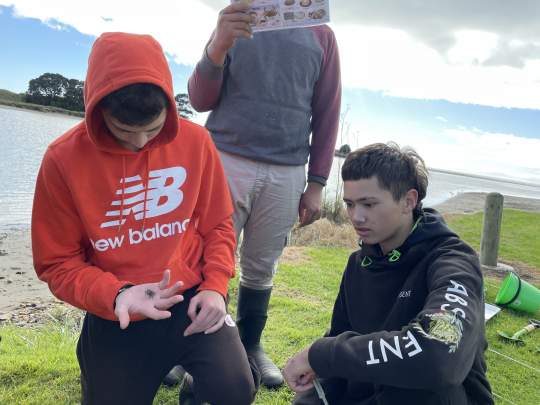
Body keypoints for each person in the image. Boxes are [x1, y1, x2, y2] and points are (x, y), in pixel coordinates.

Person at [31, 32, 255, 405]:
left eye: (152, 130)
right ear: (98, 110)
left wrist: (216, 287)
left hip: (191, 296)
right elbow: (57, 263)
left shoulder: (197, 142)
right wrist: (116, 294)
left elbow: (218, 226)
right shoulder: (62, 159)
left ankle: (193, 384)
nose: (139, 143)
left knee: (236, 389)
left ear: (169, 106)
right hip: (118, 306)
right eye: (123, 131)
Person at [186, 1, 342, 388]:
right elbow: (200, 98)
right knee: (201, 254)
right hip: (224, 158)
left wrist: (317, 183)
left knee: (262, 263)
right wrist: (218, 46)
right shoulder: (237, 16)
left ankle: (249, 344)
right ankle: (185, 346)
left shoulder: (321, 33)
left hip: (287, 170)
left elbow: (327, 111)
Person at [283, 143, 494, 404]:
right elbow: (340, 340)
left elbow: (439, 352)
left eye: (369, 204)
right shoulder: (358, 264)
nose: (356, 217)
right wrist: (320, 370)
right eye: (349, 204)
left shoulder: (453, 262)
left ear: (408, 201)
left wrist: (321, 354)